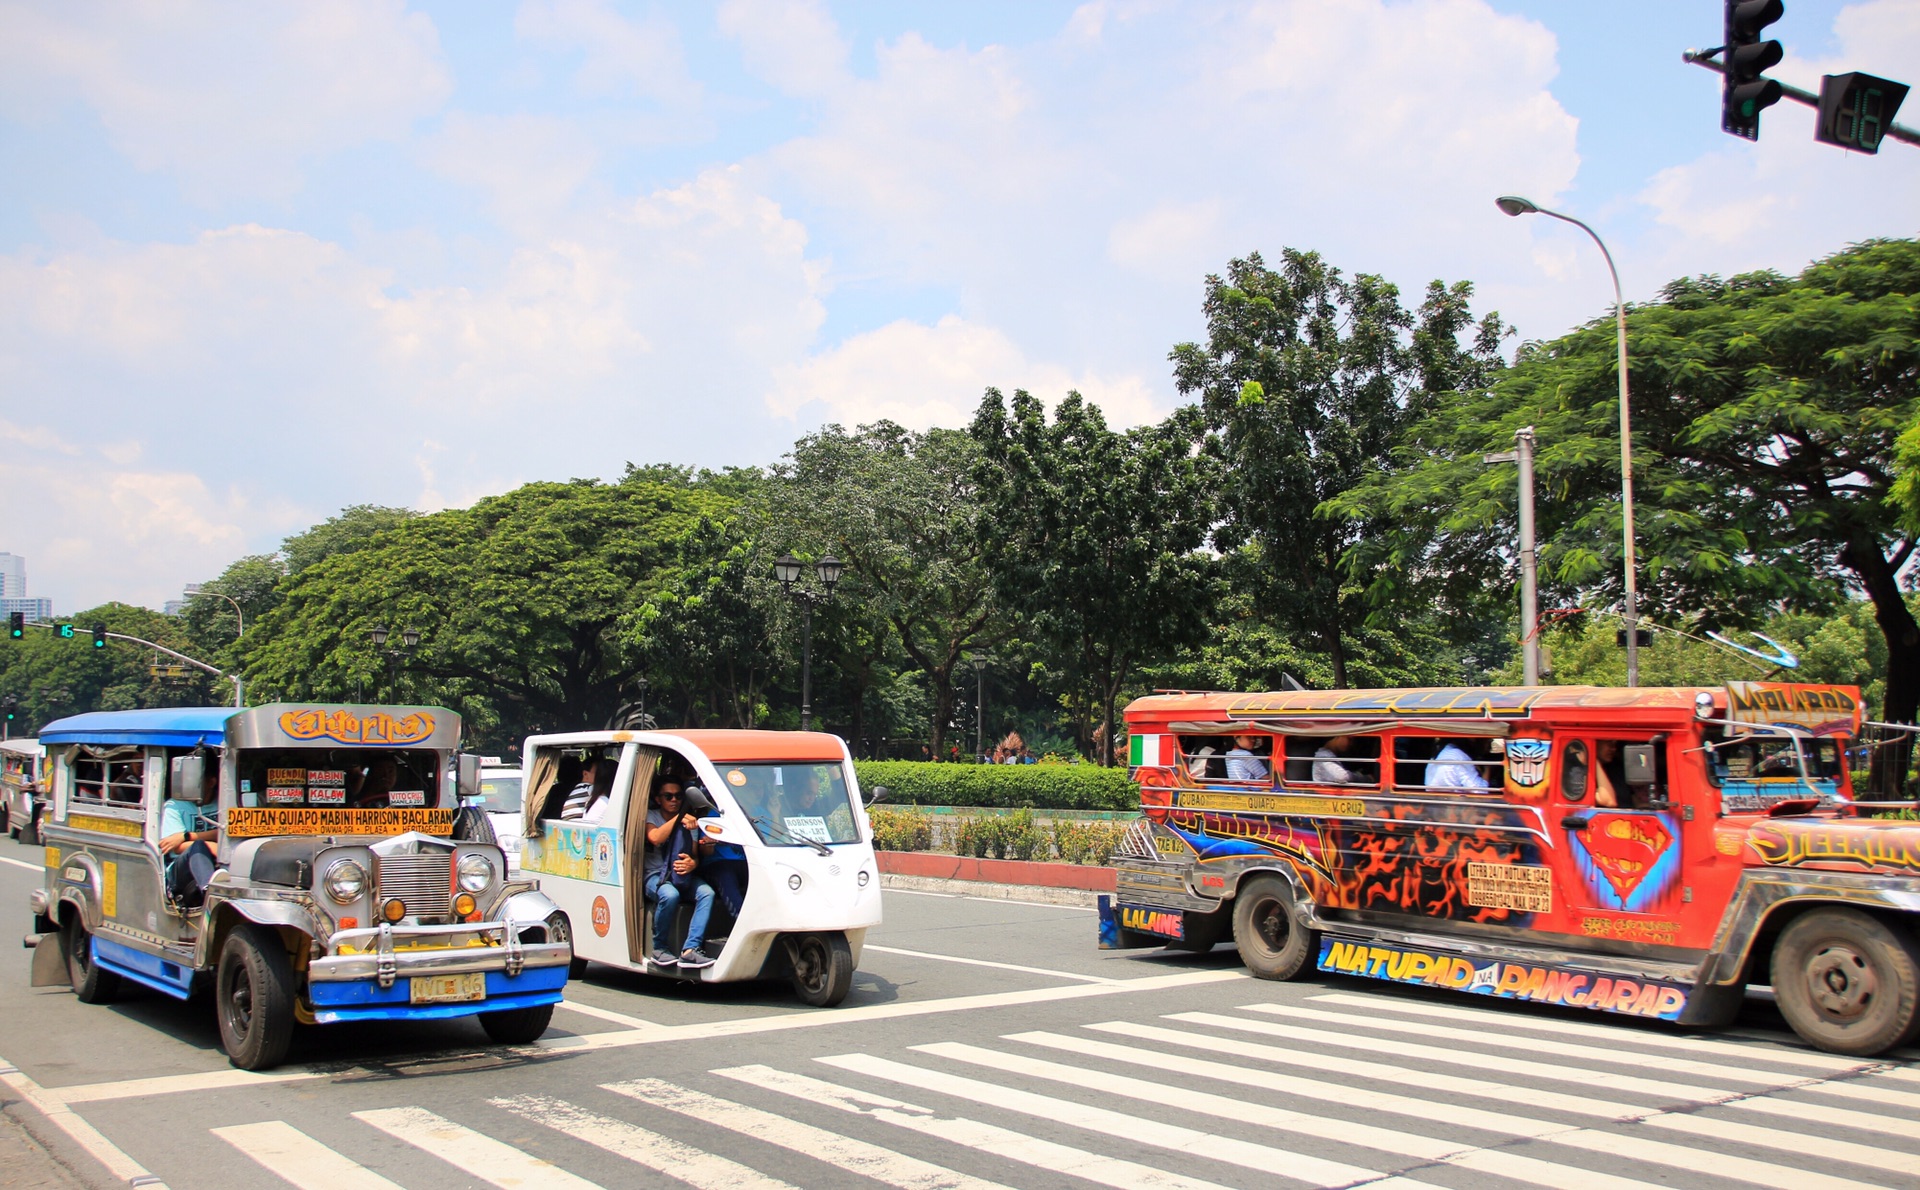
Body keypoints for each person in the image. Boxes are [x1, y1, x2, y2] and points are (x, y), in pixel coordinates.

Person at [643, 780, 716, 968]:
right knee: (670, 895)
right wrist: (679, 817)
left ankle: (691, 949)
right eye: (668, 796)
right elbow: (655, 837)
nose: (674, 800)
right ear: (658, 799)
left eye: (678, 796)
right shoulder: (651, 816)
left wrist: (693, 863)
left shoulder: (690, 822)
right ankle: (659, 948)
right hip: (655, 875)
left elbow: (694, 855)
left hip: (680, 874)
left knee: (707, 893)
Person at [160, 760, 220, 907]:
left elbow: (229, 830)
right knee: (198, 846)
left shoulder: (223, 803)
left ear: (211, 782)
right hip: (180, 869)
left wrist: (187, 836)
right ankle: (208, 891)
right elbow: (175, 847)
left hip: (217, 860)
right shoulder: (174, 806)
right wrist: (209, 845)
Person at [1425, 741, 1489, 790]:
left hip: (1436, 801)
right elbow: (1479, 791)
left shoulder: (1437, 754)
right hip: (1453, 802)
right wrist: (1488, 769)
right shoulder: (1459, 755)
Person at [561, 754, 603, 820]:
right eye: (598, 772)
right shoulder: (589, 788)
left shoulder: (579, 788)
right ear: (585, 774)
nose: (601, 775)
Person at [1593, 739, 1627, 808]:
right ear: (1595, 743)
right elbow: (1609, 801)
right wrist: (1592, 759)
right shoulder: (1578, 770)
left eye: (1615, 744)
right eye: (1608, 743)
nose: (1613, 749)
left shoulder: (1617, 768)